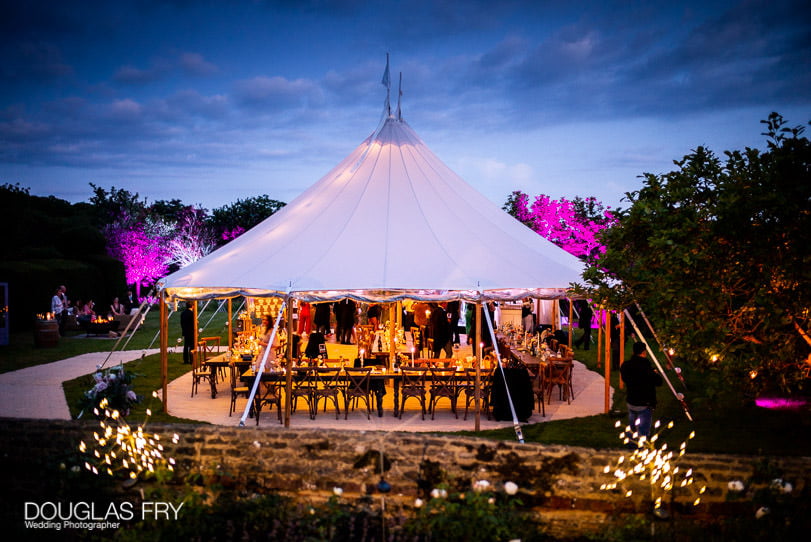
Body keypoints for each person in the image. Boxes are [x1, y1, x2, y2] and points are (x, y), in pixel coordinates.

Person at [620, 341, 663, 442]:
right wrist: (655, 373)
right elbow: (659, 382)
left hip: (631, 401)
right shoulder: (646, 368)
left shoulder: (626, 365)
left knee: (632, 428)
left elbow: (625, 378)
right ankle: (640, 450)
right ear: (644, 352)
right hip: (644, 403)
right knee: (642, 432)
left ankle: (631, 447)